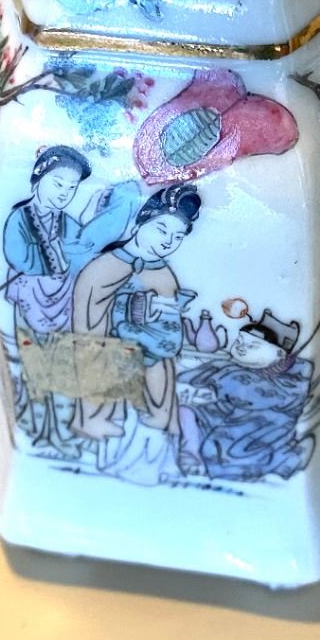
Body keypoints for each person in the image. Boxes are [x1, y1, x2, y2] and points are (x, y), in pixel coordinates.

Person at [1, 145, 137, 452]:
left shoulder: (64, 221)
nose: (64, 193)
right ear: (38, 179)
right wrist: (58, 256)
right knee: (36, 366)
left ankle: (64, 432)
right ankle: (41, 432)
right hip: (32, 300)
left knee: (61, 364)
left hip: (62, 301)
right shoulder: (20, 217)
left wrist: (93, 223)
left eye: (71, 187)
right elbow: (17, 255)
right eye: (58, 183)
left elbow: (82, 248)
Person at [69, 183, 201, 483]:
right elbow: (89, 325)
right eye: (161, 230)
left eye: (177, 237)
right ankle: (102, 440)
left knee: (156, 405)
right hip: (115, 360)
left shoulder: (162, 271)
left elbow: (169, 325)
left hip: (155, 365)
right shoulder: (103, 267)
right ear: (142, 221)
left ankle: (158, 461)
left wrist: (165, 312)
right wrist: (137, 309)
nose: (167, 242)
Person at [185, 313, 314, 482]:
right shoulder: (225, 366)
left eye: (252, 345)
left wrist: (216, 391)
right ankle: (191, 456)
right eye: (239, 341)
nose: (241, 347)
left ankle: (279, 461)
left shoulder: (290, 379)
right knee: (187, 414)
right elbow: (189, 379)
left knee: (235, 446)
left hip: (258, 424)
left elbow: (266, 396)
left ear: (279, 354)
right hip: (219, 414)